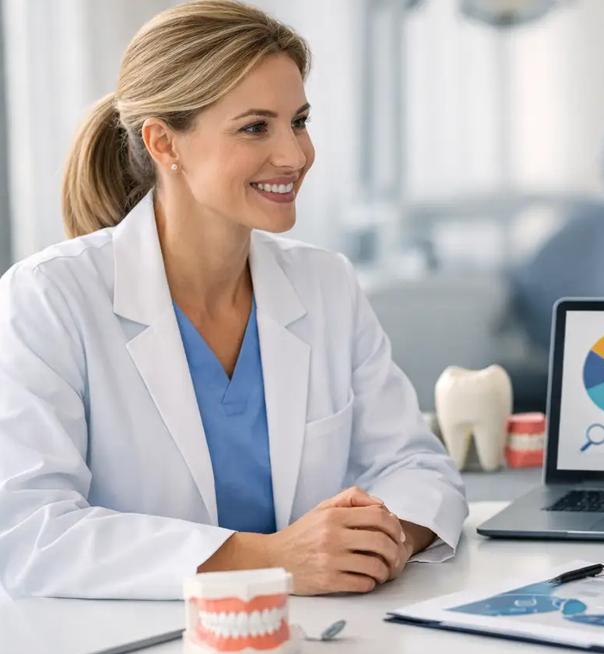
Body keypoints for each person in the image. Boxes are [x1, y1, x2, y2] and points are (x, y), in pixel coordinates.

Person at [0, 0, 467, 600]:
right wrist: (274, 559)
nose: (294, 155)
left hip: (320, 639)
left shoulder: (326, 284)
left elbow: (417, 468)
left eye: (298, 121)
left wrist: (378, 541)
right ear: (164, 143)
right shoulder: (50, 297)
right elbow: (30, 530)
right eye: (255, 127)